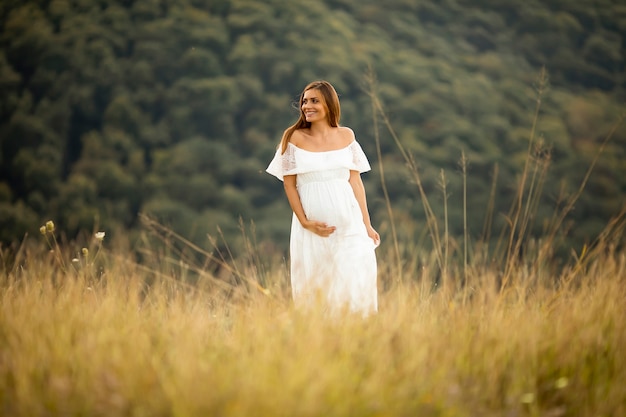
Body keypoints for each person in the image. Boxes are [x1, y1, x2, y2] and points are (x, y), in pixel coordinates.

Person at [266, 80, 380, 316]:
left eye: (314, 101)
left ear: (329, 104)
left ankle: (358, 340)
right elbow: (289, 186)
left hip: (350, 225)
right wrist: (306, 222)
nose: (307, 105)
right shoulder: (293, 138)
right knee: (318, 290)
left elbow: (355, 182)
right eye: (305, 101)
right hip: (313, 229)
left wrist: (366, 224)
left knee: (356, 282)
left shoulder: (347, 135)